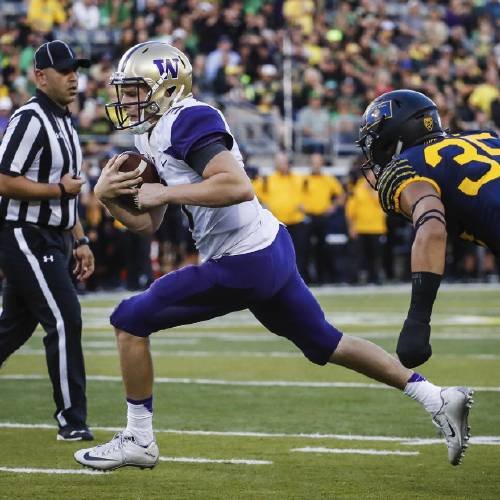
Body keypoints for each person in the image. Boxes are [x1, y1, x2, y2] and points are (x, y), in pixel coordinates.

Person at [75, 42, 473, 470]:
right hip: (266, 248)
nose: (125, 100)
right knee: (327, 343)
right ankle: (436, 396)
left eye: (135, 89)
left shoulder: (189, 118)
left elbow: (236, 185)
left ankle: (139, 437)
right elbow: (147, 225)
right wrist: (106, 199)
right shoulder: (150, 132)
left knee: (128, 320)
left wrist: (165, 192)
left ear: (167, 88)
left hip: (244, 259)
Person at [357, 89, 500, 369]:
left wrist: (418, 320)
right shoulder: (485, 137)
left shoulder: (407, 166)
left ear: (393, 137)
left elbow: (432, 226)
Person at [0, 40, 95, 441]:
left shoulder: (65, 122)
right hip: (24, 233)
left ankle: (71, 416)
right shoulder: (30, 119)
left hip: (55, 236)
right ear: (41, 76)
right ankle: (71, 421)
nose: (74, 77)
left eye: (76, 69)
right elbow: (3, 178)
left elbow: (69, 192)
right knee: (64, 318)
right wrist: (57, 190)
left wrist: (81, 239)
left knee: (13, 329)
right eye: (65, 70)